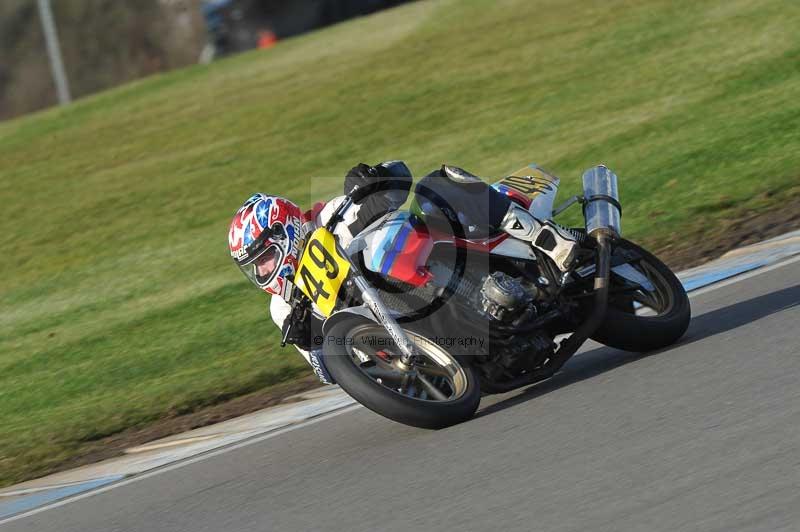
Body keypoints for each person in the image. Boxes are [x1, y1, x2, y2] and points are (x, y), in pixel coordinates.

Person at [227, 161, 580, 384]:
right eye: (254, 267)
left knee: (437, 184)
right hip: (419, 350)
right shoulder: (284, 309)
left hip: (436, 263)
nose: (263, 271)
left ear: (285, 232)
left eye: (264, 258)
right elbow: (328, 374)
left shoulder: (329, 216)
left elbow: (399, 177)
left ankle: (548, 240)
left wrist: (371, 180)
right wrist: (311, 340)